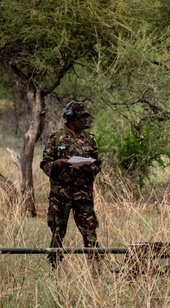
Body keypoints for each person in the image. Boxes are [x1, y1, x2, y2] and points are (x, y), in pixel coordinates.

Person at [40, 101, 102, 268]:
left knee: (90, 231)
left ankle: (95, 269)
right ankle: (55, 267)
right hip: (60, 194)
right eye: (82, 118)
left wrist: (89, 167)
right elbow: (45, 165)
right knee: (58, 231)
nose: (85, 121)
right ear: (71, 118)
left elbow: (98, 165)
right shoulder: (55, 138)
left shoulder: (90, 139)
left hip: (84, 194)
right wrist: (57, 164)